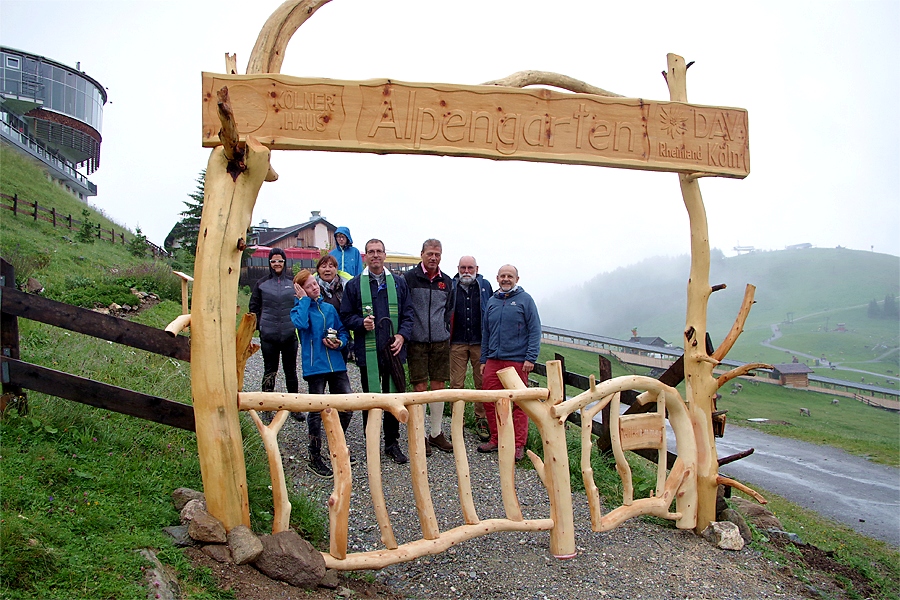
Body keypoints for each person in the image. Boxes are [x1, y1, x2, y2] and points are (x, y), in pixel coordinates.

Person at [340, 239, 414, 464]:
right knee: (370, 397)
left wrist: (402, 335)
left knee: (392, 397)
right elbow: (345, 316)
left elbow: (409, 314)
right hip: (368, 351)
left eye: (379, 251)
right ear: (365, 256)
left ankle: (392, 443)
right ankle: (371, 440)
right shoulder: (354, 285)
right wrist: (361, 323)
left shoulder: (399, 284)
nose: (375, 255)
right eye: (371, 252)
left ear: (384, 255)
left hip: (393, 349)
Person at [290, 269, 355, 478]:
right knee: (316, 412)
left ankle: (335, 445)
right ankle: (314, 455)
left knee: (347, 406)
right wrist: (303, 301)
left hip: (336, 364)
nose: (315, 287)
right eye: (308, 286)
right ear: (301, 290)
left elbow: (344, 332)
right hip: (315, 366)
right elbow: (300, 325)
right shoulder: (299, 309)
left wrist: (340, 343)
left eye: (314, 284)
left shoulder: (329, 308)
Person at [478, 265, 541, 462]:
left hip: (517, 361)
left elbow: (535, 329)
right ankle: (497, 439)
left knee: (519, 404)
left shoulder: (526, 300)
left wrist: (531, 358)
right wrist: (483, 359)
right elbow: (486, 332)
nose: (506, 279)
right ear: (497, 278)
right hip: (493, 360)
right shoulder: (492, 301)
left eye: (510, 276)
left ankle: (518, 445)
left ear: (517, 278)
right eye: (503, 276)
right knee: (490, 400)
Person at [404, 239, 454, 455]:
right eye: (430, 254)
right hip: (416, 340)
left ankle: (436, 433)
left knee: (439, 386)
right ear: (422, 254)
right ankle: (420, 434)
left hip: (440, 341)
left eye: (437, 254)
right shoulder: (409, 278)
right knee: (420, 387)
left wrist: (443, 330)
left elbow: (449, 310)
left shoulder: (447, 281)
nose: (434, 258)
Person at [248, 248, 300, 417]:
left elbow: (302, 304)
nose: (277, 264)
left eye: (280, 261)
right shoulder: (261, 284)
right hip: (268, 335)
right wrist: (258, 329)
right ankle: (266, 407)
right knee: (270, 370)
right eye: (273, 261)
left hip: (289, 334)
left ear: (285, 263)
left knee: (291, 371)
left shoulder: (293, 283)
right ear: (269, 263)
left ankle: (294, 407)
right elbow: (253, 308)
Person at [448, 255, 493, 442]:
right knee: (456, 384)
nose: (466, 271)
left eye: (470, 268)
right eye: (463, 268)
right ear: (458, 268)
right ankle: (457, 422)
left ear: (477, 268)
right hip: (457, 342)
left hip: (480, 342)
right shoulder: (451, 286)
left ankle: (481, 420)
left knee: (481, 384)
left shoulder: (485, 286)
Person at [315, 254, 353, 362]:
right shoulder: (311, 288)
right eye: (323, 266)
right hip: (318, 337)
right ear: (318, 270)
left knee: (339, 372)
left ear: (336, 269)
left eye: (331, 266)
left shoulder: (346, 286)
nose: (327, 269)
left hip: (341, 335)